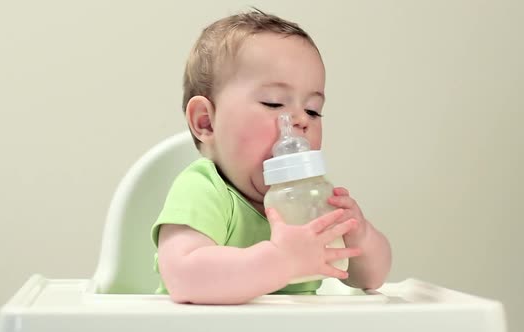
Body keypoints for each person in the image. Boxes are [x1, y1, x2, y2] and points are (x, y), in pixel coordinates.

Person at [151, 9, 392, 304]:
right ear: (206, 122)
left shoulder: (310, 202)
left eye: (313, 110)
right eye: (274, 103)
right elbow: (184, 278)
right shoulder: (204, 190)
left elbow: (371, 279)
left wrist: (361, 235)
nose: (301, 121)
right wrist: (281, 260)